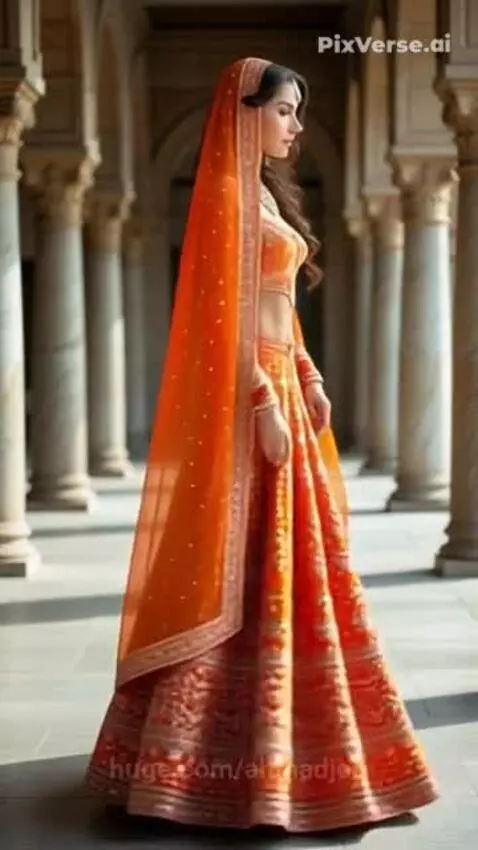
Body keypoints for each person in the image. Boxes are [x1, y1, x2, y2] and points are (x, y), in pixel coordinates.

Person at [85, 56, 439, 832]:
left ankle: (298, 748)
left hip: (282, 388)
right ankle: (208, 757)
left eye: (298, 113)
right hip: (250, 400)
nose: (296, 126)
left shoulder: (270, 202)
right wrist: (258, 403)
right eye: (284, 111)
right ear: (245, 111)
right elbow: (225, 319)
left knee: (299, 563)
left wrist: (306, 377)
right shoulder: (221, 199)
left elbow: (279, 310)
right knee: (245, 559)